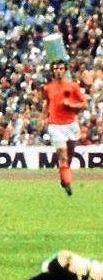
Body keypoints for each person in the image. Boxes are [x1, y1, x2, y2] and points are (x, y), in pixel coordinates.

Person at [41, 60, 88, 196]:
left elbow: (83, 103)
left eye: (61, 69)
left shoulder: (73, 87)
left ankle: (64, 176)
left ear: (65, 70)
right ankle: (67, 183)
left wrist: (71, 105)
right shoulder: (47, 87)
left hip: (71, 125)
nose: (58, 71)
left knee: (70, 156)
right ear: (53, 71)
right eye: (56, 69)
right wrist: (43, 118)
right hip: (55, 125)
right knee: (62, 155)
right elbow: (47, 103)